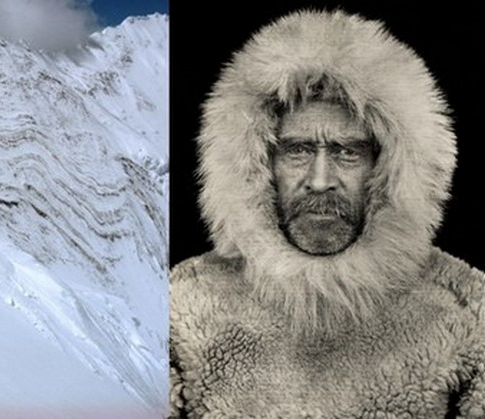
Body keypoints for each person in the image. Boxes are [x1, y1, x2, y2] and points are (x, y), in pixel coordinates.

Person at [169, 10, 485, 418]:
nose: (320, 181)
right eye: (297, 151)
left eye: (347, 152)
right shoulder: (181, 308)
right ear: (256, 163)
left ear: (388, 168)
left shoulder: (468, 311)